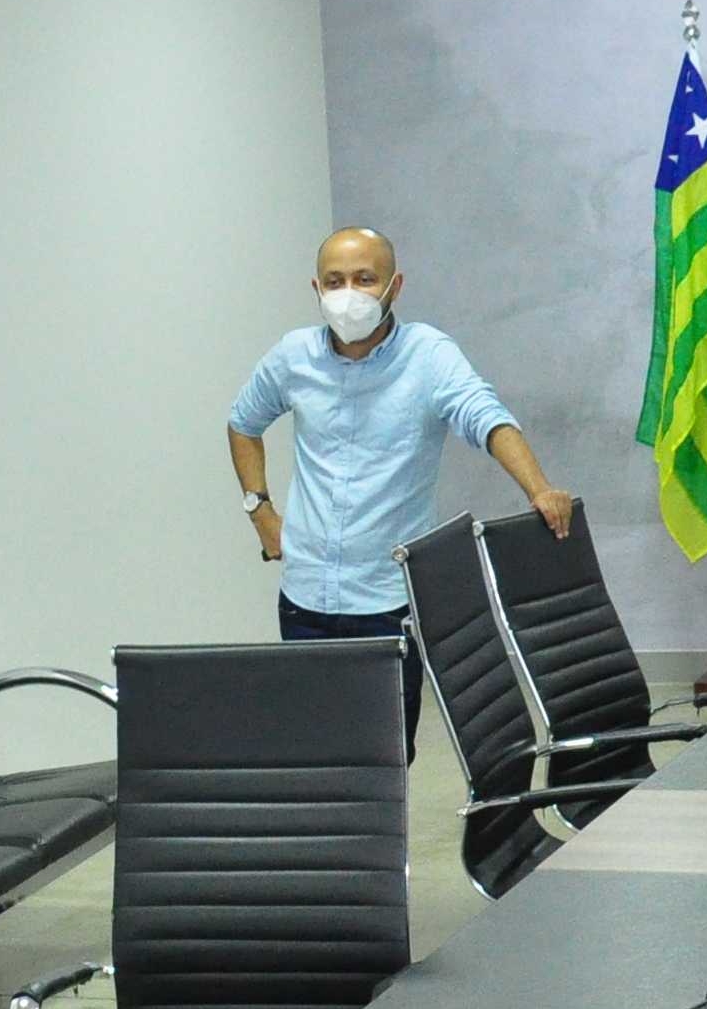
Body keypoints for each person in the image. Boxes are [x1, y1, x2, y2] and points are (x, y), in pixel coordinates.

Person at [224, 226, 584, 747]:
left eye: (365, 279)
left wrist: (539, 488)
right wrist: (261, 510)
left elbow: (486, 418)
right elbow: (243, 422)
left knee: (386, 753)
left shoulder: (428, 355)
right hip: (305, 599)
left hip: (389, 602)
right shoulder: (293, 356)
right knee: (309, 747)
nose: (349, 293)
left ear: (395, 286)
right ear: (316, 289)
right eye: (335, 280)